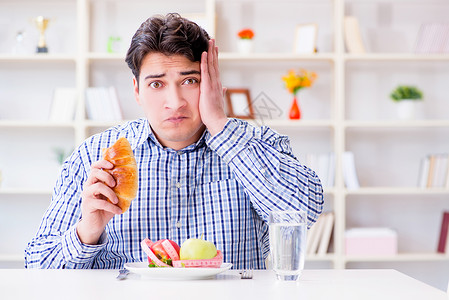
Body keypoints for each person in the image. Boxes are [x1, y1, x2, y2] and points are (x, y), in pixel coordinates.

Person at [25, 13, 323, 269]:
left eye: (190, 81)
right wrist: (86, 232)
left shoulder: (259, 144)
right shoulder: (93, 156)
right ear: (137, 91)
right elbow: (37, 268)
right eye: (157, 84)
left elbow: (304, 213)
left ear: (213, 83)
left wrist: (220, 123)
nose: (175, 102)